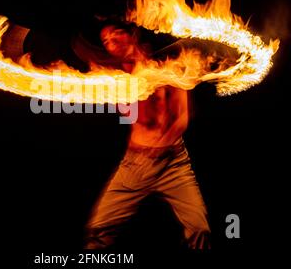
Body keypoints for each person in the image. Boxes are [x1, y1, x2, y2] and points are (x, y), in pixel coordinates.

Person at [83, 24, 211, 249]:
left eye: (116, 33)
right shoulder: (117, 77)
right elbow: (129, 115)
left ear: (131, 34)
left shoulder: (169, 66)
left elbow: (182, 118)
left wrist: (161, 145)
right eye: (105, 40)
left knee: (200, 229)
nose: (111, 41)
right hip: (136, 164)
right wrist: (119, 92)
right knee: (99, 229)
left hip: (174, 164)